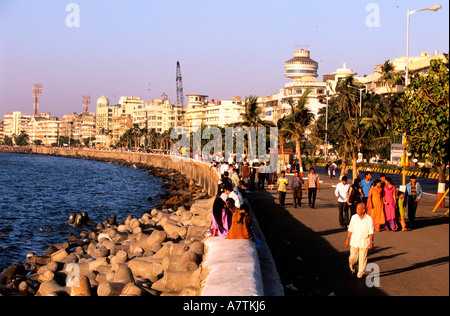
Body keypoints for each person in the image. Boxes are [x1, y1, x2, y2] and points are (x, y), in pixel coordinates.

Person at [345, 203, 375, 280]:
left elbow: (371, 231)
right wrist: (347, 239)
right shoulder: (354, 217)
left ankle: (360, 275)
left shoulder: (369, 219)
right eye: (357, 209)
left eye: (359, 209)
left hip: (364, 242)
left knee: (363, 259)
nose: (357, 210)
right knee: (352, 258)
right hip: (354, 241)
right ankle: (352, 269)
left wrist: (371, 242)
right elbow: (350, 229)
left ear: (363, 210)